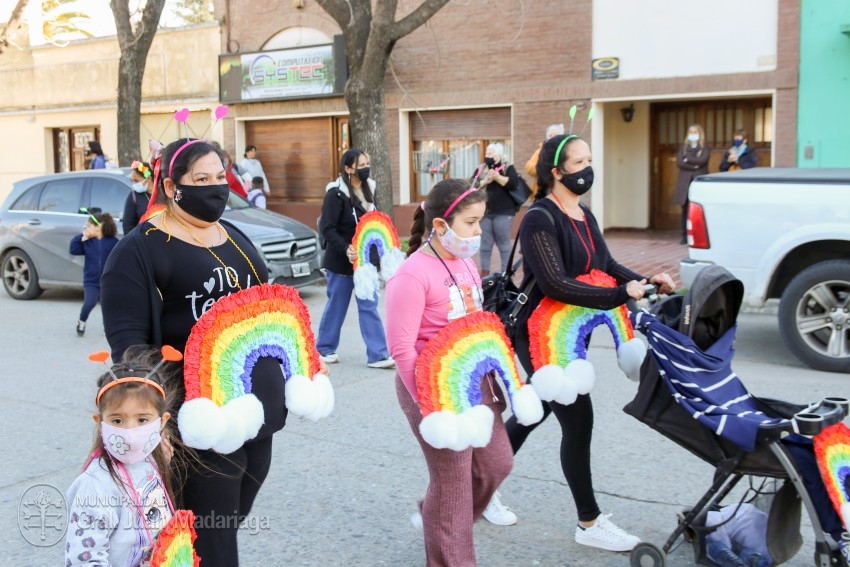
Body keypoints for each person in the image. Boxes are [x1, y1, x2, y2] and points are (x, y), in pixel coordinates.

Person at [100, 138, 300, 566]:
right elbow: (130, 347)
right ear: (173, 188)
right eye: (201, 179)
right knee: (214, 538)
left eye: (220, 177)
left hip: (256, 412)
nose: (215, 187)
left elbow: (267, 311)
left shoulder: (236, 236)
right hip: (197, 418)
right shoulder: (139, 250)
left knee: (227, 520)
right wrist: (156, 423)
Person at [490, 134, 675, 552]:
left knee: (534, 412)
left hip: (570, 332)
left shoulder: (584, 214)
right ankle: (588, 522)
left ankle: (477, 484)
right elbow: (556, 283)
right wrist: (618, 296)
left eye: (590, 160)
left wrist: (643, 283)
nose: (588, 169)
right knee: (578, 420)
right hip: (538, 334)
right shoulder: (540, 217)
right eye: (579, 162)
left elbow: (605, 265)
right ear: (557, 172)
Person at [386, 178, 512, 566]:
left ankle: (437, 514)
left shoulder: (466, 263)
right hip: (430, 390)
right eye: (471, 223)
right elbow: (402, 349)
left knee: (497, 463)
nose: (478, 232)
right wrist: (430, 405)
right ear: (441, 225)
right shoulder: (411, 275)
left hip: (474, 383)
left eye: (480, 222)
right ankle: (449, 549)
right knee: (454, 484)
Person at [65, 347, 177, 566]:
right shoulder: (96, 487)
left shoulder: (151, 462)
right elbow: (84, 559)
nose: (130, 432)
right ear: (100, 422)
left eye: (142, 420)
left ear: (162, 422)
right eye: (117, 420)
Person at [316, 148, 394, 369]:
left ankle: (378, 354)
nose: (366, 168)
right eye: (361, 165)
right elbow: (327, 229)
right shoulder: (335, 194)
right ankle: (324, 349)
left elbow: (375, 224)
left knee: (369, 306)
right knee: (336, 306)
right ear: (348, 168)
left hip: (365, 263)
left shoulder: (371, 189)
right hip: (341, 262)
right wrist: (345, 248)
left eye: (367, 163)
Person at [470, 142, 518, 277]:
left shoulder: (508, 167)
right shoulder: (481, 168)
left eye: (491, 153)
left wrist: (497, 177)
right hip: (484, 213)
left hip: (504, 212)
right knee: (485, 244)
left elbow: (513, 184)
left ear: (499, 155)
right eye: (486, 153)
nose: (488, 156)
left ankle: (505, 274)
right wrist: (485, 180)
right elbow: (472, 186)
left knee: (504, 243)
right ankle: (484, 275)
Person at [70, 208, 119, 336]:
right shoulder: (87, 242)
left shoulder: (113, 242)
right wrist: (82, 236)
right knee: (89, 303)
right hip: (91, 281)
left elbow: (119, 259)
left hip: (108, 281)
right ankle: (82, 321)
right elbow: (73, 249)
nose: (86, 229)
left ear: (98, 227)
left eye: (88, 226)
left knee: (108, 306)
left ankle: (108, 328)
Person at [674, 124, 710, 244]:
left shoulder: (704, 147)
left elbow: (702, 161)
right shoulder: (683, 147)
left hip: (698, 181)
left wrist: (687, 159)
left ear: (700, 134)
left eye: (695, 132)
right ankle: (684, 236)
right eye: (691, 132)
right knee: (685, 209)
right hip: (685, 182)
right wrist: (694, 165)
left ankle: (697, 236)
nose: (693, 134)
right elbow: (679, 162)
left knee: (698, 209)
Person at [525, 123, 566, 198]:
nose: (552, 138)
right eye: (550, 135)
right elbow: (529, 168)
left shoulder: (567, 151)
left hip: (563, 192)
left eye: (556, 135)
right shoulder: (540, 151)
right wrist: (542, 167)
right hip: (543, 192)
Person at [123, 160, 154, 234]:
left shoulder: (163, 193)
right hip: (142, 242)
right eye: (132, 180)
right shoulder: (134, 196)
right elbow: (127, 226)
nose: (133, 184)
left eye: (136, 180)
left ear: (148, 179)